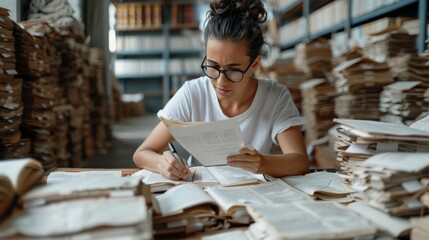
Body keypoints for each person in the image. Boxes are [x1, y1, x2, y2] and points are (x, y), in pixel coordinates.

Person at [133, 0, 309, 180]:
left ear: (254, 64)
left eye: (233, 70)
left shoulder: (275, 96)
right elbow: (142, 154)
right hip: (201, 192)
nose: (220, 81)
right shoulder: (193, 93)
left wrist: (262, 163)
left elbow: (300, 161)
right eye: (212, 66)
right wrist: (164, 164)